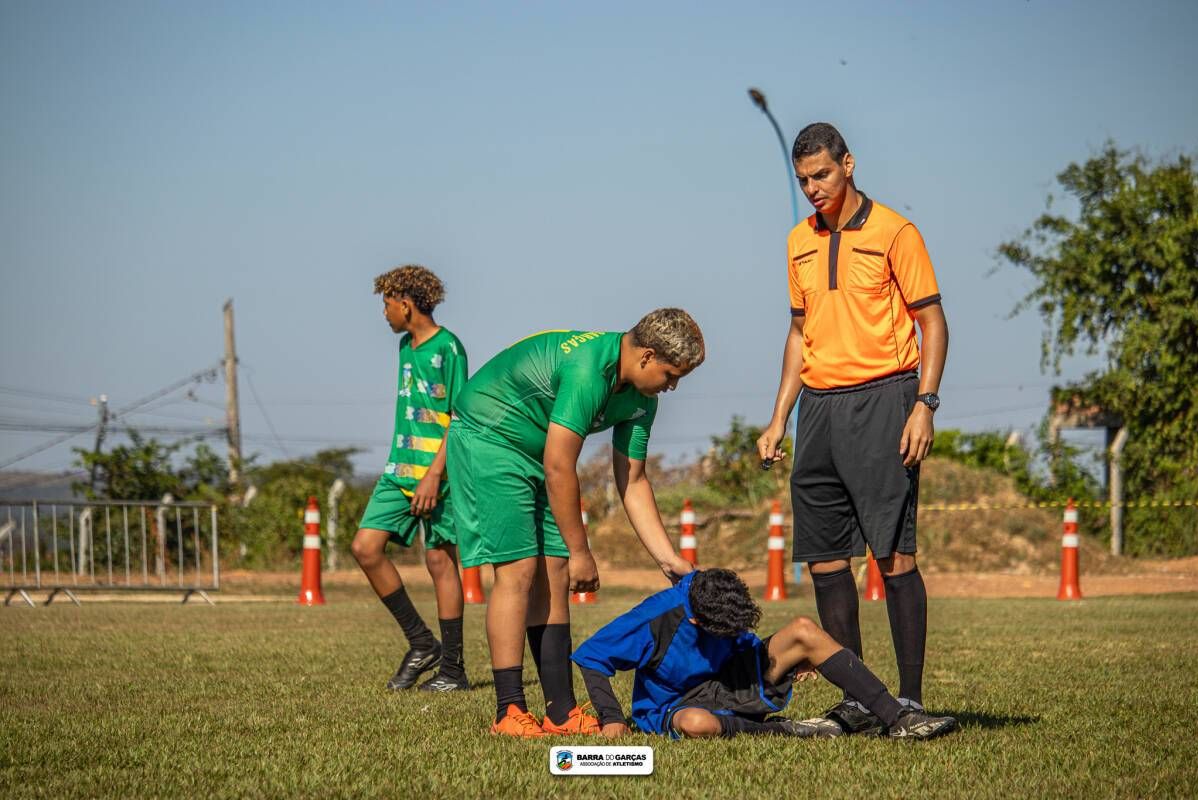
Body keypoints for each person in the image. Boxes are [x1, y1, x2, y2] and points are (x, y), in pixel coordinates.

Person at [756, 122, 952, 734]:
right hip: (817, 409)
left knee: (892, 558)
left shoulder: (896, 232)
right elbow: (798, 334)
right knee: (823, 561)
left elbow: (933, 322)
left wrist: (924, 404)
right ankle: (859, 700)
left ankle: (910, 699)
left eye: (822, 174)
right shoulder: (797, 241)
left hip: (885, 399)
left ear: (848, 164)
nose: (813, 187)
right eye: (803, 180)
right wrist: (778, 417)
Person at [447, 309, 702, 737]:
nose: (672, 385)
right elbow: (560, 467)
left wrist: (667, 559)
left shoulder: (643, 399)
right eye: (670, 374)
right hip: (489, 439)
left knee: (556, 570)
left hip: (538, 453)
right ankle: (509, 711)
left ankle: (561, 712)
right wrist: (582, 552)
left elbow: (633, 480)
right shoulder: (588, 370)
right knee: (519, 571)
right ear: (646, 356)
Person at [571, 568, 958, 739]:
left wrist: (791, 658)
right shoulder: (656, 617)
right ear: (695, 622)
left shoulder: (716, 592)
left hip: (733, 678)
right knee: (697, 724)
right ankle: (791, 730)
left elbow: (741, 638)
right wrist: (612, 719)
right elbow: (591, 656)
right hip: (679, 702)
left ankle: (898, 718)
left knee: (803, 629)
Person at [351, 265, 470, 693]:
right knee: (365, 548)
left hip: (440, 474)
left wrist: (435, 474)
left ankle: (453, 671)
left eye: (386, 304)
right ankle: (421, 643)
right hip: (398, 471)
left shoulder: (449, 348)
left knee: (440, 562)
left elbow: (460, 417)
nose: (384, 313)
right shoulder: (405, 346)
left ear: (405, 304)